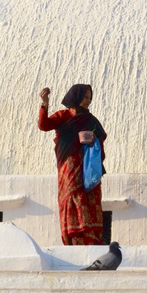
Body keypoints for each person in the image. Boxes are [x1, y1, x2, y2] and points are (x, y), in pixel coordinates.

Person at [38, 84, 107, 245]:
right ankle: (73, 234)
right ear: (76, 97)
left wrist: (93, 140)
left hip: (87, 165)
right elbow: (44, 125)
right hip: (68, 164)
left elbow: (101, 137)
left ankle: (91, 236)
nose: (88, 101)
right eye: (85, 97)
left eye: (90, 97)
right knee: (71, 194)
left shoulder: (90, 120)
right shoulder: (64, 115)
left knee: (89, 194)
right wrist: (45, 103)